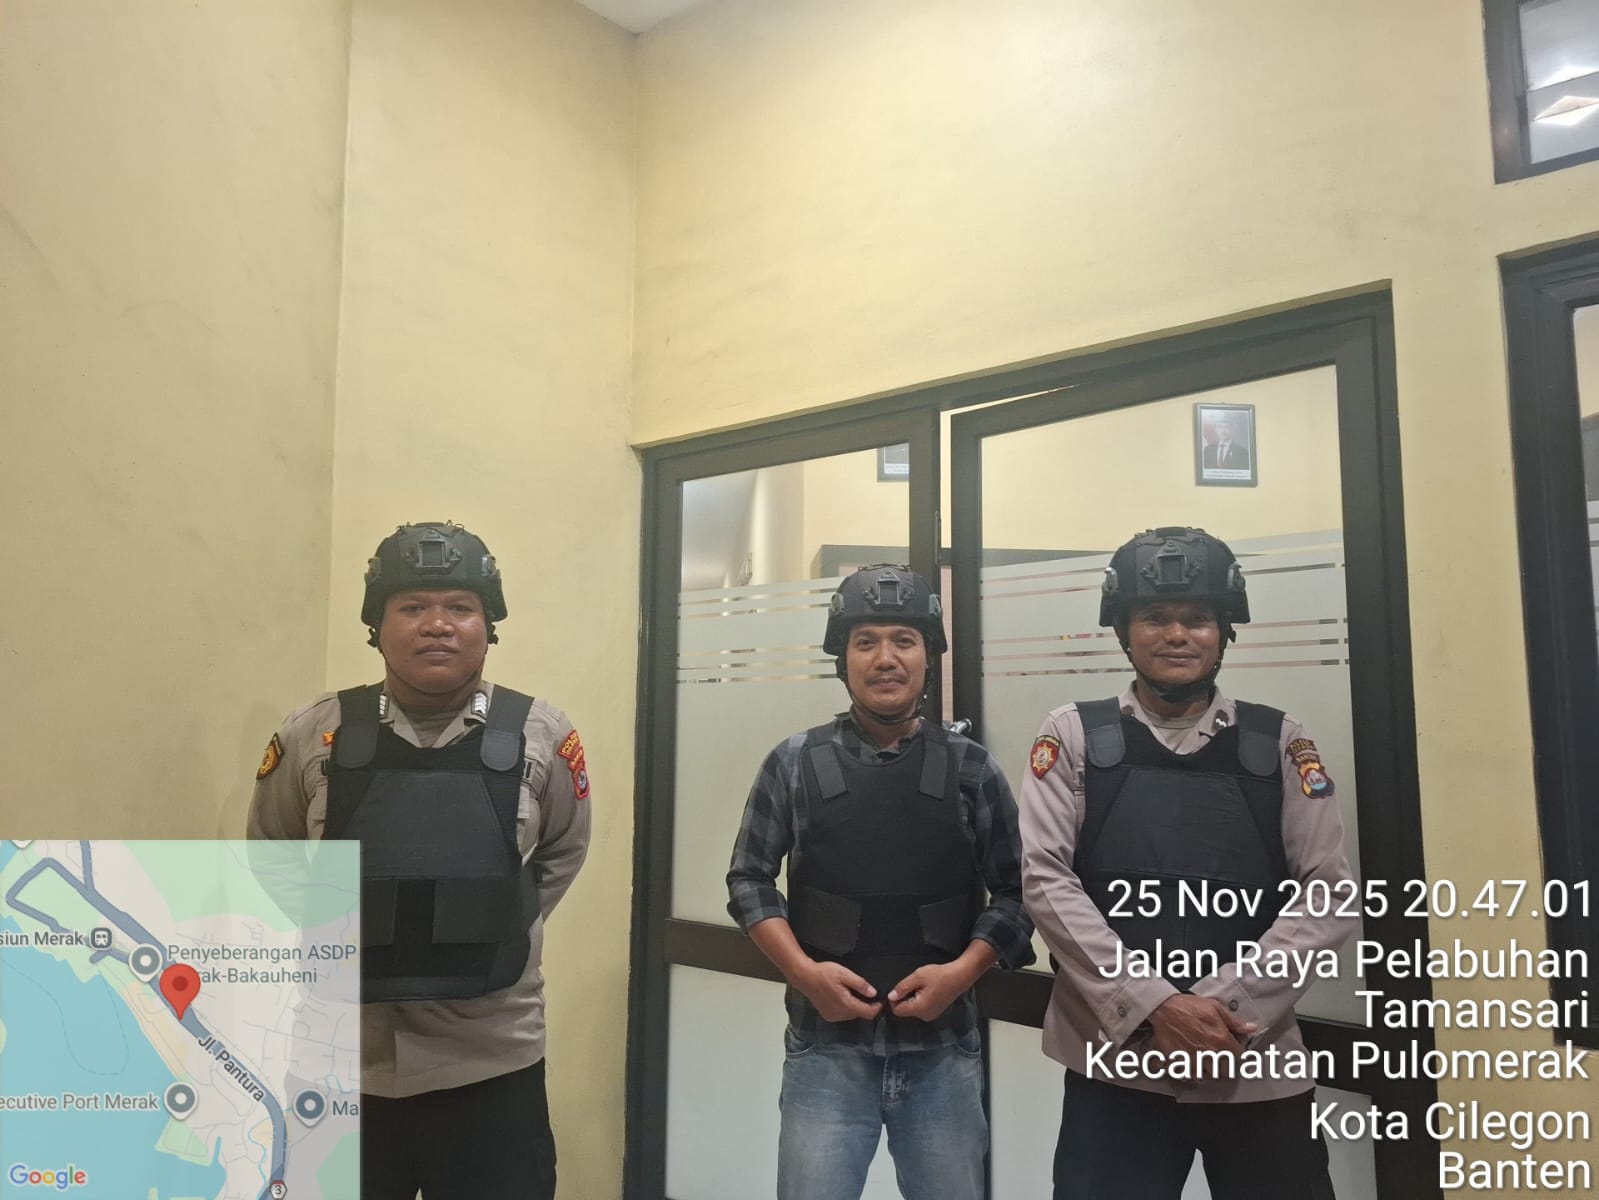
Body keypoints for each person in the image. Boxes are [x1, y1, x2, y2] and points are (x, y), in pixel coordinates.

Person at [247, 521, 591, 1200]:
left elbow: (561, 852)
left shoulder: (543, 734)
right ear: (376, 627)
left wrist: (489, 920)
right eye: (412, 606)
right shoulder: (312, 732)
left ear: (489, 626)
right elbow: (272, 855)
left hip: (491, 1064)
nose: (437, 625)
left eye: (460, 607)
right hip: (338, 1065)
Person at [1019, 527, 1353, 1200]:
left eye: (1198, 617)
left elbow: (1328, 893)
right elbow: (1044, 878)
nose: (1177, 634)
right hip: (1115, 1066)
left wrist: (1221, 1007)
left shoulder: (1279, 741)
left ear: (1225, 630)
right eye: (1154, 617)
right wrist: (1153, 1004)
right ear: (1123, 631)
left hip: (1253, 1062)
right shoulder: (1073, 734)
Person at [726, 564, 1034, 1200]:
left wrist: (961, 974)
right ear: (843, 659)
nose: (885, 658)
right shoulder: (793, 762)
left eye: (904, 640)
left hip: (944, 1054)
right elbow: (749, 879)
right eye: (865, 641)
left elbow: (1018, 891)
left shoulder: (971, 768)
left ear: (928, 657)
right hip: (825, 1052)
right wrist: (805, 975)